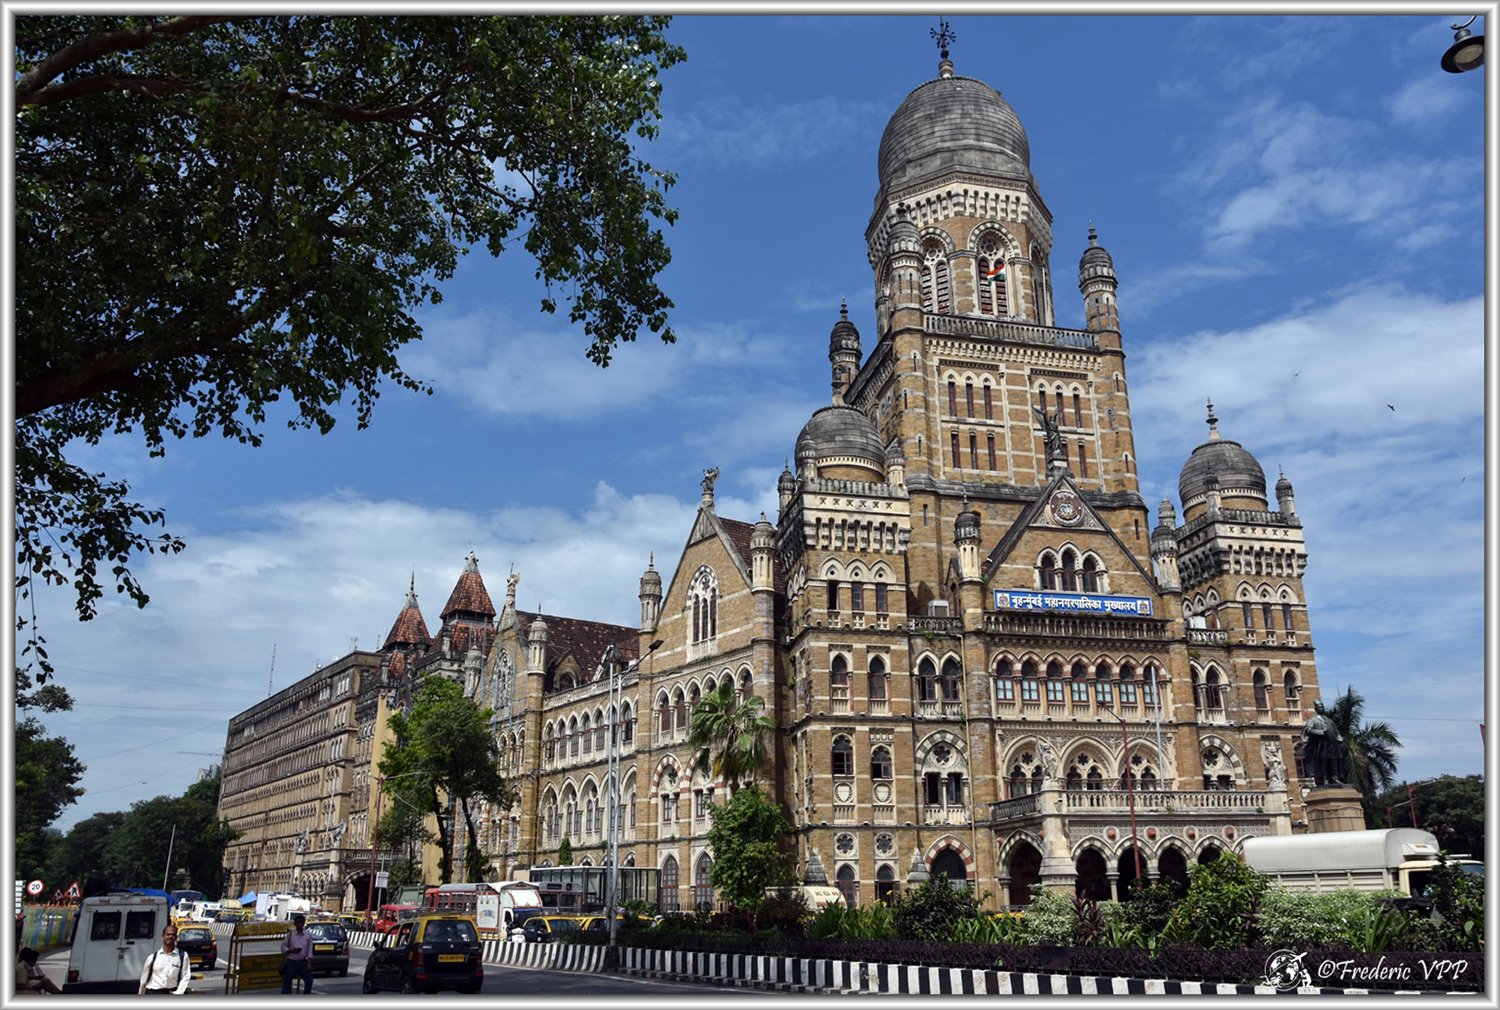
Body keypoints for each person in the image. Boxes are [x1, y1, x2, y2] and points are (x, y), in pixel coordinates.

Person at [137, 925, 190, 995]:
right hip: (153, 992)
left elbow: (185, 976)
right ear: (162, 937)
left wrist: (178, 992)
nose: (170, 937)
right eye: (168, 934)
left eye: (173, 935)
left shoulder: (182, 956)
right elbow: (144, 980)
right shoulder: (153, 957)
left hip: (171, 992)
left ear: (176, 938)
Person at [280, 914, 314, 994]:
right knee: (287, 982)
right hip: (292, 962)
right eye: (298, 922)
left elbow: (310, 950)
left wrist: (309, 963)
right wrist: (291, 950)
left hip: (303, 962)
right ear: (295, 924)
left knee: (309, 980)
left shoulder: (307, 935)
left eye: (302, 922)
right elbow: (283, 947)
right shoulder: (291, 935)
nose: (300, 924)